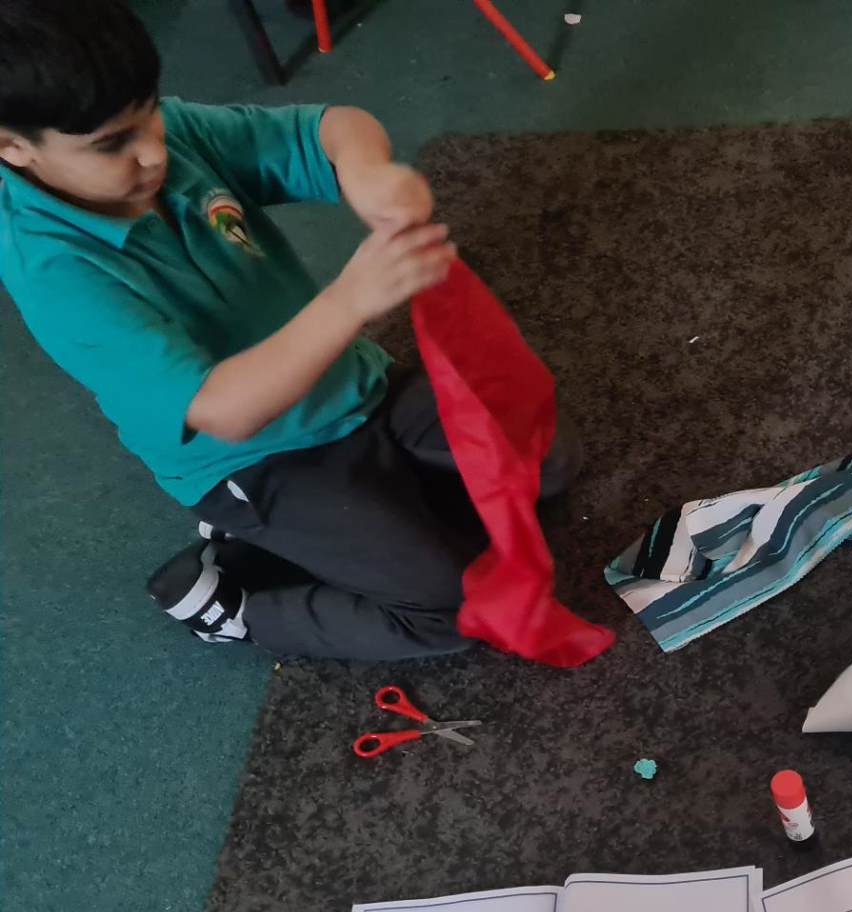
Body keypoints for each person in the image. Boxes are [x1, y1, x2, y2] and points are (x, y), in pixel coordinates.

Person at [0, 0, 576, 660]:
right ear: (12, 147)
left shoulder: (166, 135)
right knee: (458, 613)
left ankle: (333, 529)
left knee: (545, 460)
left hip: (354, 388)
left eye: (151, 112)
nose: (154, 151)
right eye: (112, 144)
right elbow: (224, 411)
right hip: (258, 462)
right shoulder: (55, 273)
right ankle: (238, 608)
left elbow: (333, 127)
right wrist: (352, 298)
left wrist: (368, 175)